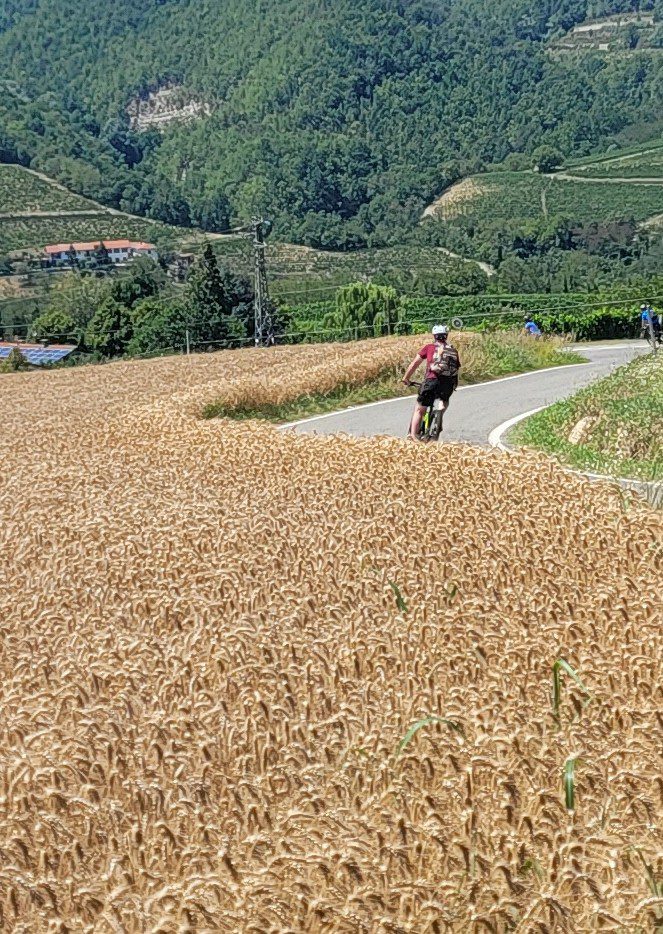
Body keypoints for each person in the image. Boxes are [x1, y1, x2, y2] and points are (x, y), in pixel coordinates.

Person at [402, 324, 461, 441]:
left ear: (434, 336)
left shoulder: (429, 348)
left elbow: (414, 364)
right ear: (446, 336)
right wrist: (453, 385)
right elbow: (456, 369)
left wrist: (406, 378)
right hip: (447, 384)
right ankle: (439, 416)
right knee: (444, 401)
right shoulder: (453, 350)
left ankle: (413, 437)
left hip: (431, 381)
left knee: (420, 409)